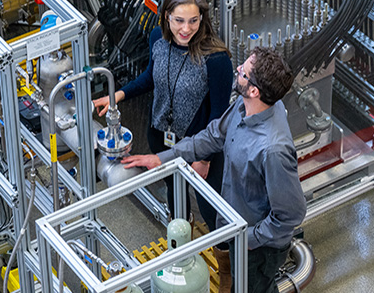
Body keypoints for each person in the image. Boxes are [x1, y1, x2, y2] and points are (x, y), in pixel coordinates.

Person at [122, 47, 306, 293]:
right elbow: (211, 137)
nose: (238, 69)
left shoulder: (272, 149)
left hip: (258, 250)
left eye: (244, 72)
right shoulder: (244, 107)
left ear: (254, 90)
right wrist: (161, 158)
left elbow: (291, 215)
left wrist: (248, 240)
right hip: (237, 229)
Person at [93, 0, 233, 231]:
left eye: (193, 21)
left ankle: (225, 257)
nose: (186, 29)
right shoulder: (158, 39)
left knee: (210, 207)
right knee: (174, 193)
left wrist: (205, 158)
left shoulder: (216, 58)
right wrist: (117, 96)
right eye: (179, 20)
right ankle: (181, 243)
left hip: (199, 145)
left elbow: (219, 117)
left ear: (202, 18)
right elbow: (150, 77)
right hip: (161, 136)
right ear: (167, 16)